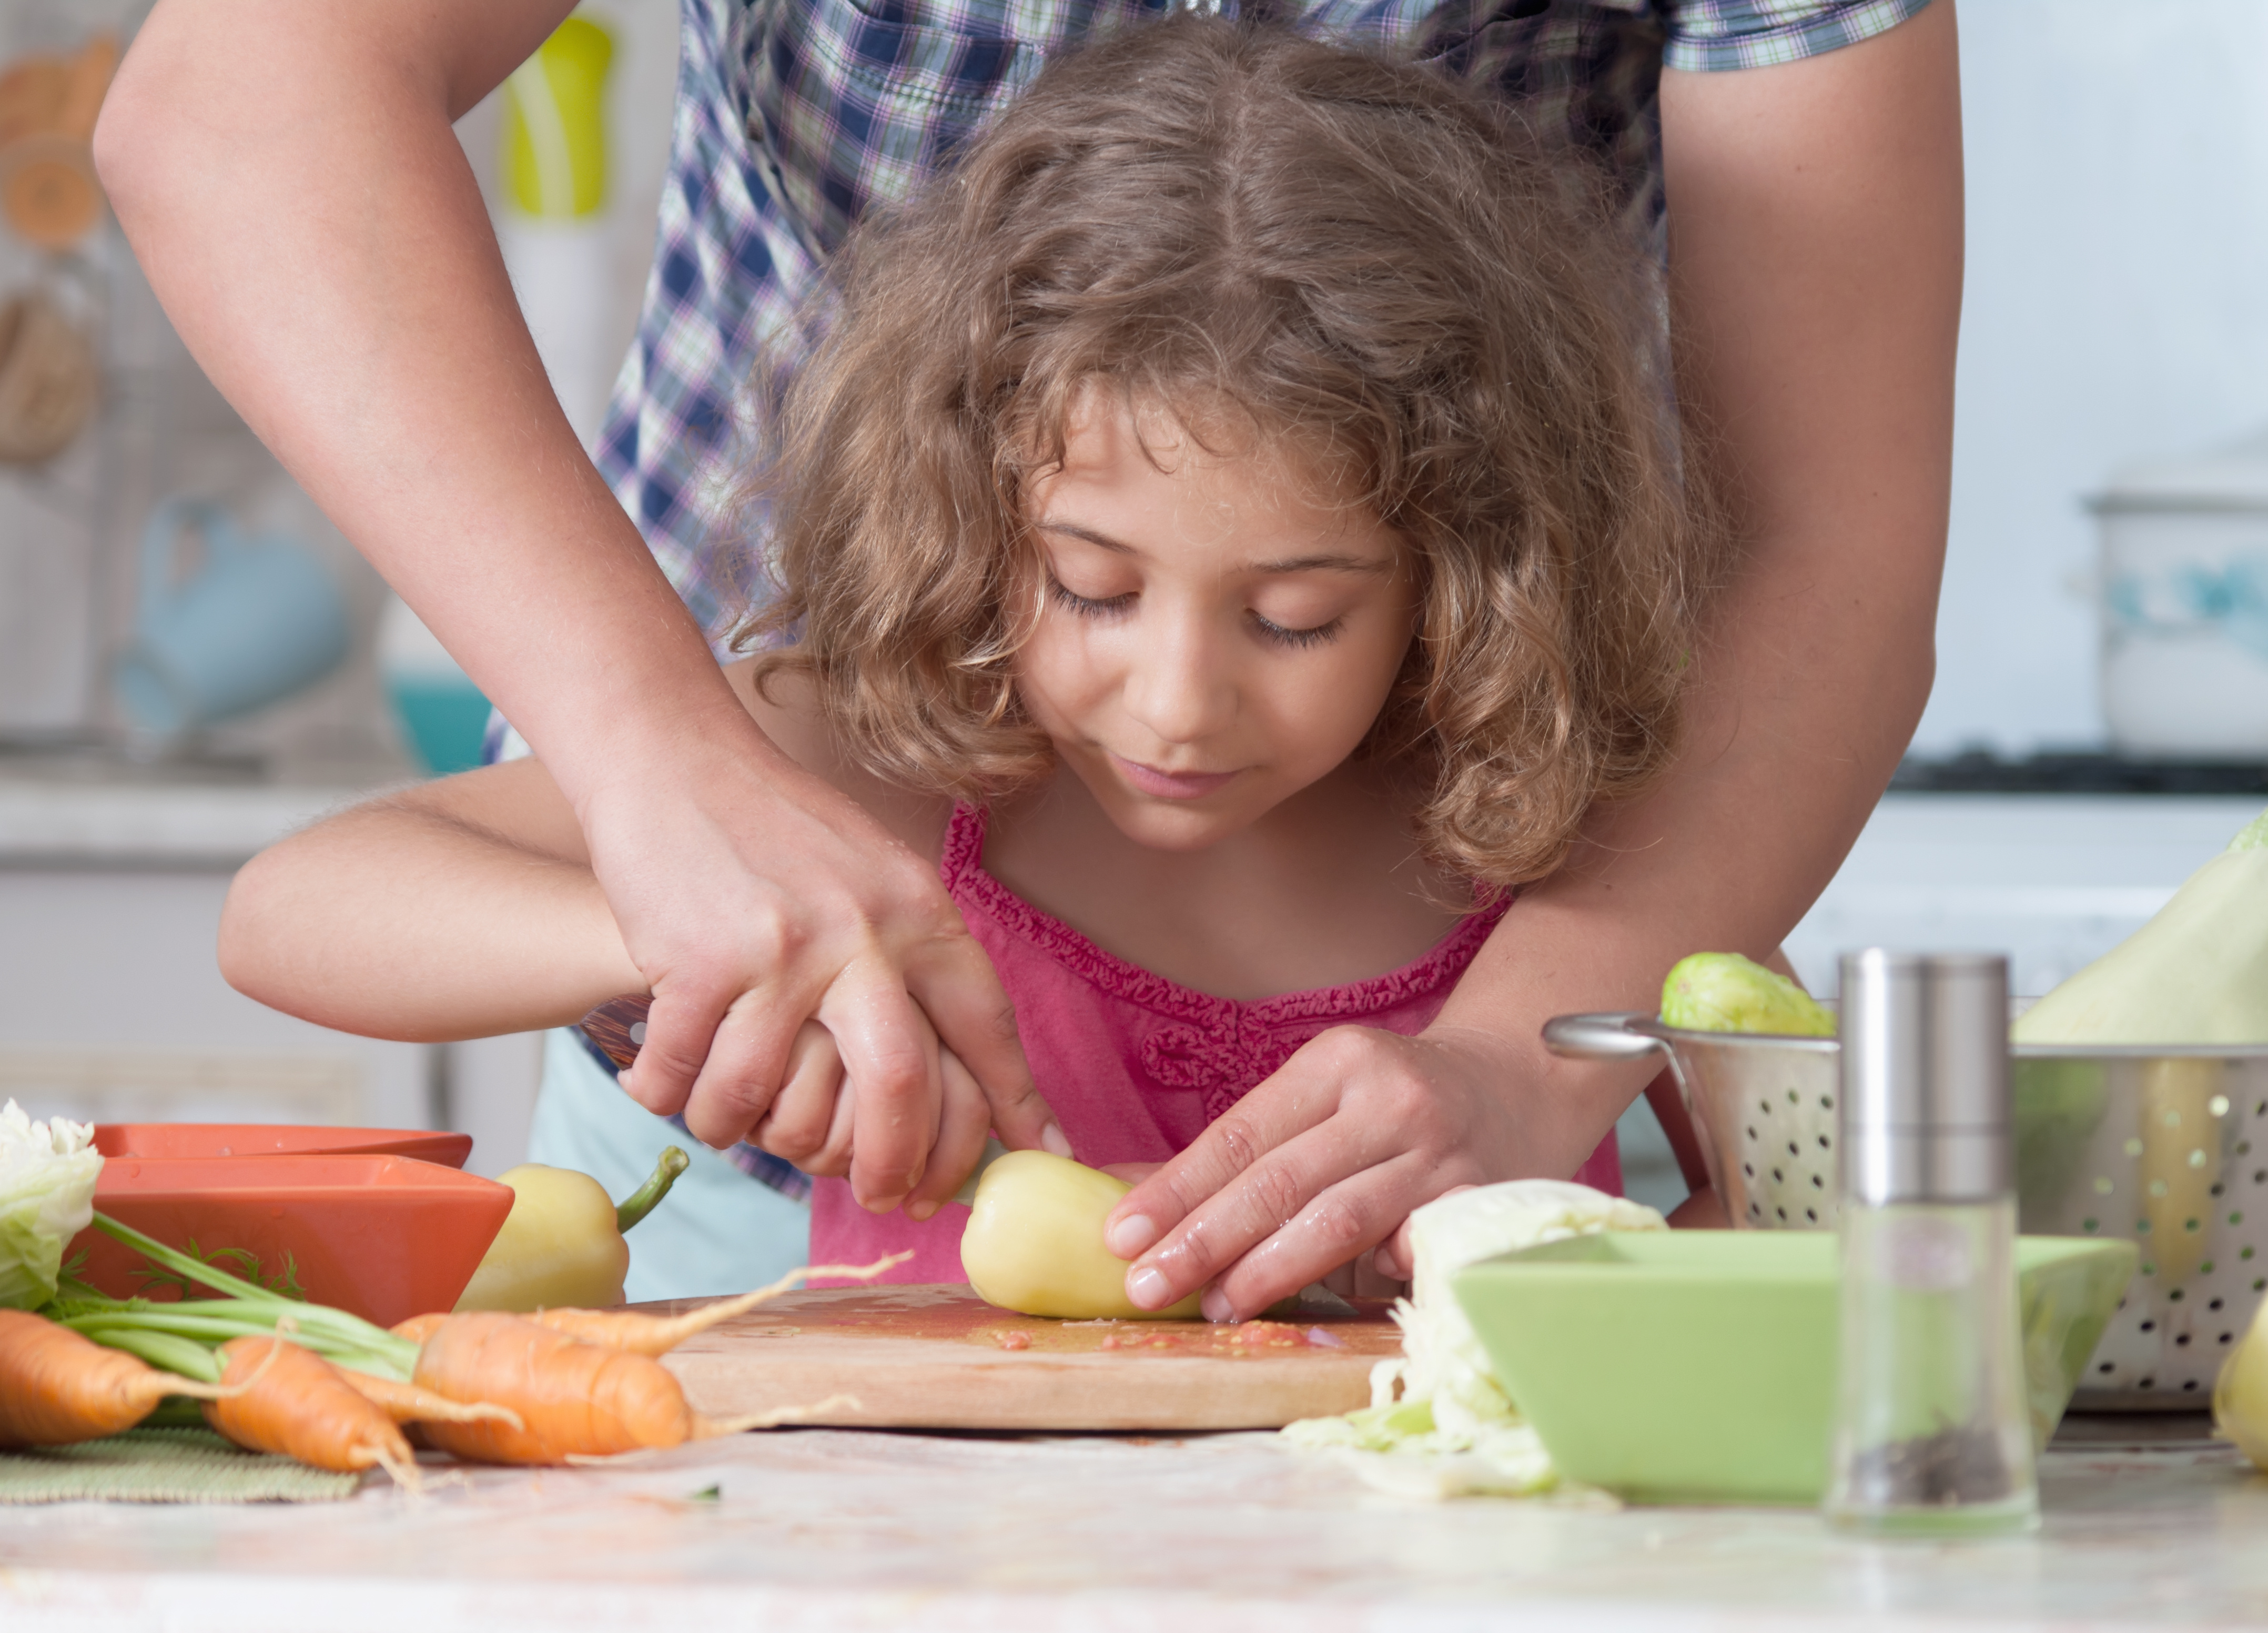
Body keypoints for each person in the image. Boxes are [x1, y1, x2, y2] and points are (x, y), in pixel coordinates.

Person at [100, 0, 1959, 1314]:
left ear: (1449, 564)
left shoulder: (1543, 836)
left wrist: (1531, 1077)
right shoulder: (911, 760)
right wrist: (676, 897)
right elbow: (295, 905)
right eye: (1092, 588)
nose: (1174, 700)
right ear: (988, 531)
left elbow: (1772, 1216)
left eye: (1297, 616)